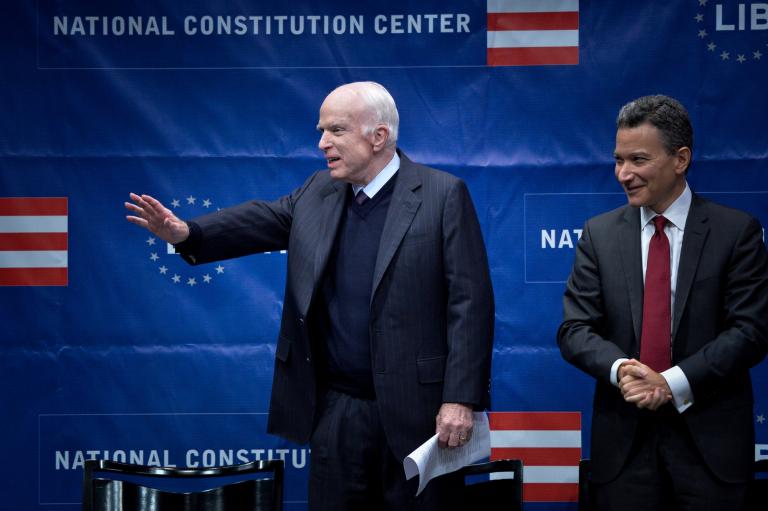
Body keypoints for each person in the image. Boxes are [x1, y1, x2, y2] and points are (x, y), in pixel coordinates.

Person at [125, 81, 494, 510]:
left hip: (421, 415)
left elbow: (471, 304)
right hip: (336, 414)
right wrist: (189, 233)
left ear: (378, 137)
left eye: (336, 130)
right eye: (321, 131)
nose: (322, 143)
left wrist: (460, 399)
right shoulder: (319, 190)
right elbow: (261, 219)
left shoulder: (441, 194)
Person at [558, 95, 768, 510]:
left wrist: (671, 383)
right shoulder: (599, 235)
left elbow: (751, 330)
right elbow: (574, 330)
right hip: (624, 450)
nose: (624, 174)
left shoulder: (736, 232)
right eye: (618, 160)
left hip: (711, 449)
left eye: (638, 159)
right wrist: (624, 372)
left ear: (681, 159)